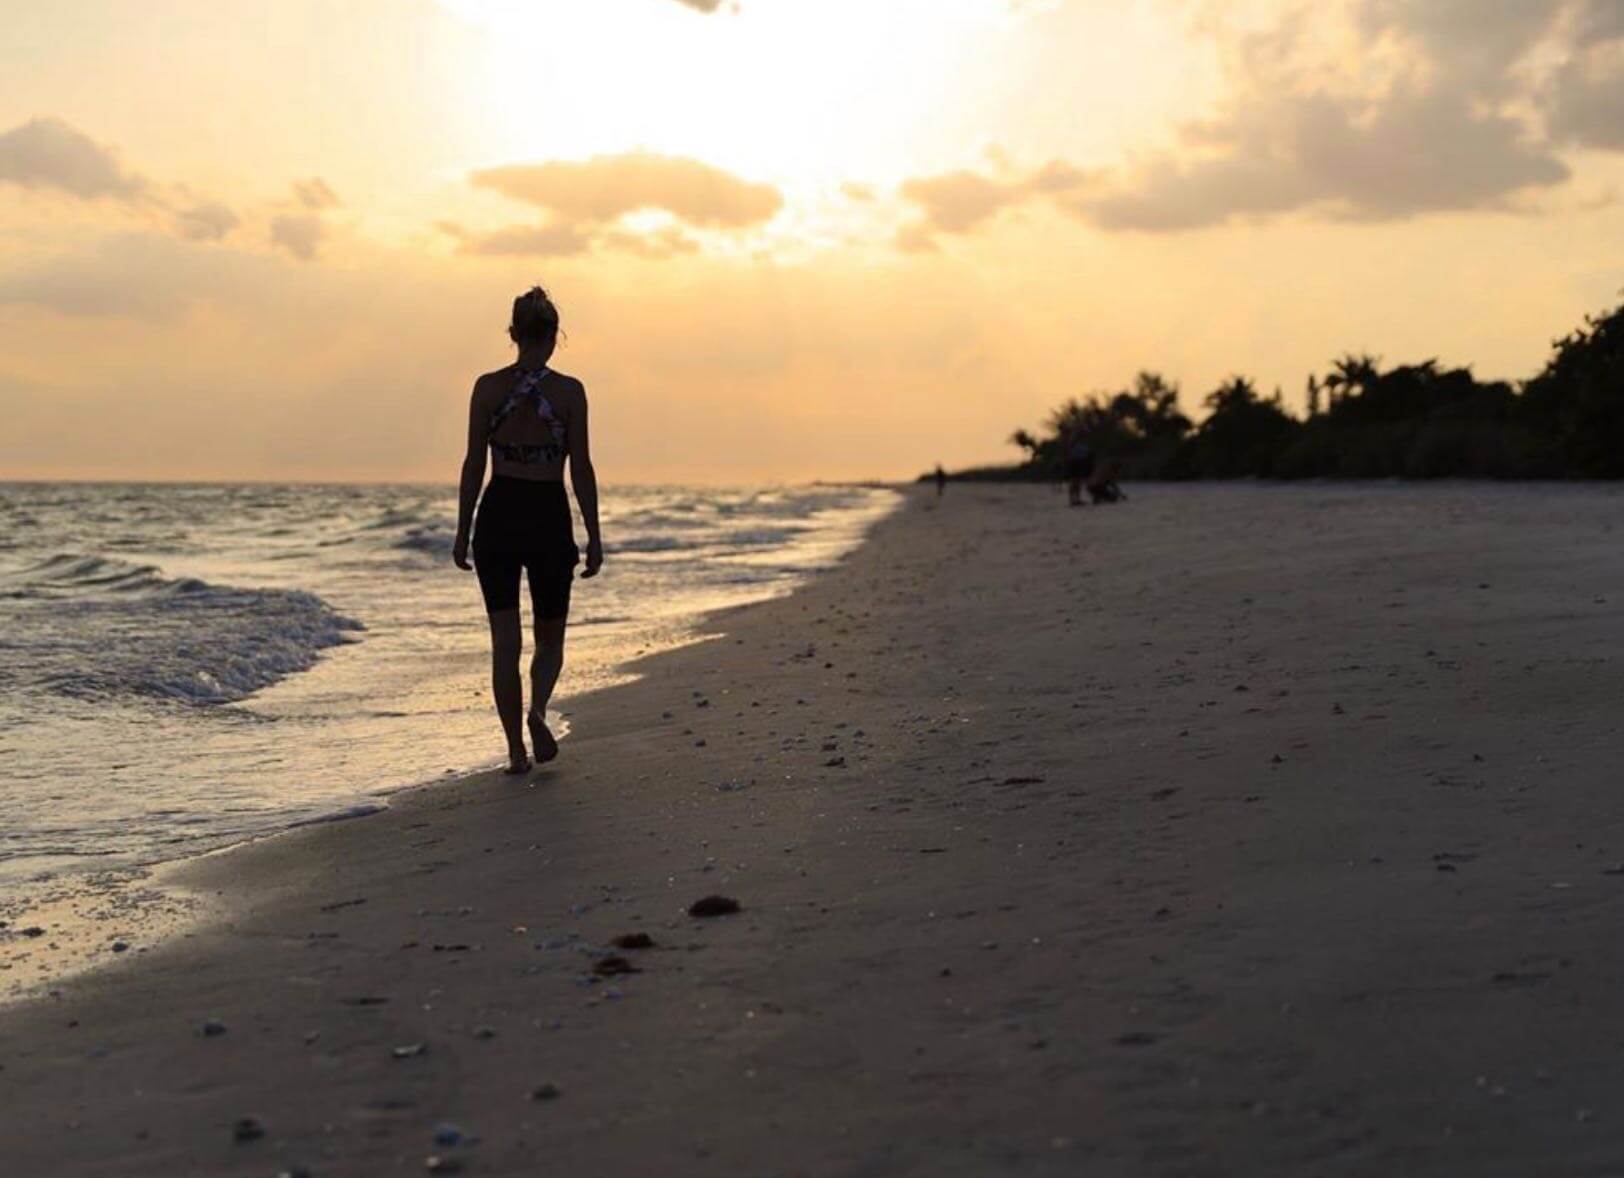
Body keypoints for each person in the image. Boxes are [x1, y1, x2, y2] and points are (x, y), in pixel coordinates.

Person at [453, 286, 603, 774]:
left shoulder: (487, 388)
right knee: (550, 638)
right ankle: (538, 711)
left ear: (513, 334)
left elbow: (475, 463)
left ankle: (516, 752)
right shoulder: (569, 393)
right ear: (555, 337)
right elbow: (580, 467)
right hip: (547, 514)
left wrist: (462, 529)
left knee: (505, 643)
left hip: (498, 512)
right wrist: (594, 534)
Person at [1065, 433, 1094, 507]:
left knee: (1078, 481)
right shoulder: (1073, 444)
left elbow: (1087, 453)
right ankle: (1072, 499)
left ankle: (1077, 499)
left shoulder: (1082, 444)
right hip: (1075, 463)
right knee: (1074, 481)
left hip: (1080, 463)